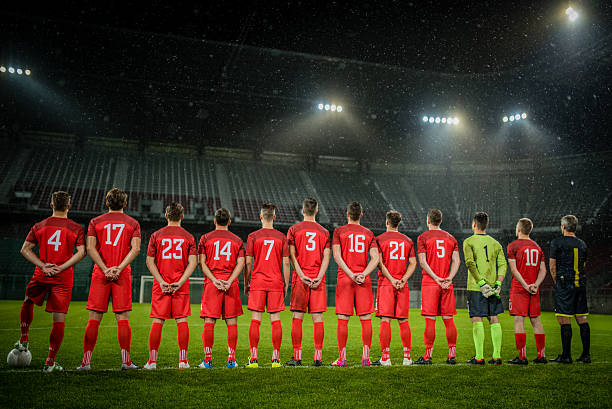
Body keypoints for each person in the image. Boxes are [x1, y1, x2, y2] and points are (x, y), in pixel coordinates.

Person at [17, 191, 86, 372]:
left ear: (51, 205)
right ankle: (49, 362)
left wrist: (43, 265)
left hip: (42, 273)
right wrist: (62, 267)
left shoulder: (40, 225)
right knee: (59, 319)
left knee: (28, 300)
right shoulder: (76, 227)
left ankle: (24, 337)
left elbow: (25, 249)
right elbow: (82, 252)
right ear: (69, 206)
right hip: (62, 277)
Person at [77, 188, 141, 370]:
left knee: (94, 318)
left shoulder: (95, 222)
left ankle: (86, 362)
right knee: (122, 317)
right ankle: (126, 362)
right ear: (125, 204)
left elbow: (90, 248)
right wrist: (119, 268)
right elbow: (135, 249)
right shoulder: (133, 223)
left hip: (100, 274)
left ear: (107, 203)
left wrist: (105, 269)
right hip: (122, 274)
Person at [143, 203, 197, 370]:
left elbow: (149, 261)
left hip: (162, 284)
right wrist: (180, 282)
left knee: (158, 321)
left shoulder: (156, 235)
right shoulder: (188, 236)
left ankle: (152, 362)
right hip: (180, 284)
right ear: (182, 216)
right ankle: (183, 361)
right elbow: (193, 262)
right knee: (182, 320)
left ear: (166, 216)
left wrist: (161, 281)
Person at [331, 201, 379, 367]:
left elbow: (337, 256)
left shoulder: (339, 231)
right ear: (361, 215)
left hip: (345, 278)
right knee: (365, 318)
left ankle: (342, 359)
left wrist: (350, 274)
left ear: (347, 214)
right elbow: (375, 258)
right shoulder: (368, 233)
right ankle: (365, 358)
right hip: (362, 279)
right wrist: (363, 274)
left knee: (343, 319)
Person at [244, 203, 290, 368]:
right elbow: (286, 263)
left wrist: (246, 281)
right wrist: (286, 283)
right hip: (276, 281)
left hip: (258, 281)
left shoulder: (253, 236)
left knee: (256, 320)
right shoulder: (282, 237)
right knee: (275, 320)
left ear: (261, 216)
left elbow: (248, 262)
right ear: (274, 217)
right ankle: (276, 359)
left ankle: (254, 359)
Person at [286, 198, 331, 367]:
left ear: (302, 211)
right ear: (317, 211)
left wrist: (301, 274)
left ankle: (297, 358)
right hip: (318, 278)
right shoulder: (324, 232)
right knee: (317, 318)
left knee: (297, 317)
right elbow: (327, 257)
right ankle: (317, 358)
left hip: (300, 278)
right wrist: (319, 276)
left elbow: (292, 255)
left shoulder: (294, 229)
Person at [199, 208, 245, 369]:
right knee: (231, 323)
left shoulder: (205, 238)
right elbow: (241, 263)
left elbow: (202, 263)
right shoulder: (237, 240)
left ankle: (207, 360)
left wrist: (214, 280)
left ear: (214, 221)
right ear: (229, 221)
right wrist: (230, 281)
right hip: (230, 284)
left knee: (209, 322)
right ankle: (231, 360)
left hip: (212, 284)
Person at [414, 208, 460, 365]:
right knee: (448, 319)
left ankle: (428, 356)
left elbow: (422, 262)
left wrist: (436, 278)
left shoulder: (423, 237)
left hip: (430, 283)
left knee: (430, 320)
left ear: (428, 220)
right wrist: (449, 278)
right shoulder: (451, 238)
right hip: (447, 283)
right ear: (440, 221)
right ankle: (451, 356)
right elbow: (456, 261)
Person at [372, 211, 417, 366]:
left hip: (386, 283)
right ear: (399, 223)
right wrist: (402, 279)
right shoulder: (408, 240)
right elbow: (413, 263)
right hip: (402, 284)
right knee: (403, 320)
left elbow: (378, 262)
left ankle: (385, 358)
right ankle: (407, 358)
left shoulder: (379, 239)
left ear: (387, 222)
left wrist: (391, 279)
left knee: (385, 320)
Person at [463, 212, 507, 365]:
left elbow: (470, 263)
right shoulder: (495, 243)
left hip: (476, 286)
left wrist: (481, 283)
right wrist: (498, 283)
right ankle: (496, 356)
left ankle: (479, 357)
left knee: (477, 317)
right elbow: (503, 264)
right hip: (493, 287)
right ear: (486, 225)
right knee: (493, 318)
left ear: (474, 224)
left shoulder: (468, 241)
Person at [549, 215, 590, 364]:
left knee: (564, 319)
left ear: (563, 227)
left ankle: (566, 356)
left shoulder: (557, 242)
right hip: (580, 284)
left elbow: (552, 267)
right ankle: (586, 355)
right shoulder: (582, 244)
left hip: (565, 284)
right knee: (582, 319)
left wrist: (558, 283)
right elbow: (584, 265)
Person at [507, 218, 547, 364]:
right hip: (533, 289)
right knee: (536, 321)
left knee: (519, 320)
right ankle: (541, 356)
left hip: (520, 288)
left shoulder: (513, 246)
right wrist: (535, 285)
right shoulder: (537, 247)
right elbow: (543, 270)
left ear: (518, 229)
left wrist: (525, 285)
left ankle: (522, 357)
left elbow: (514, 269)